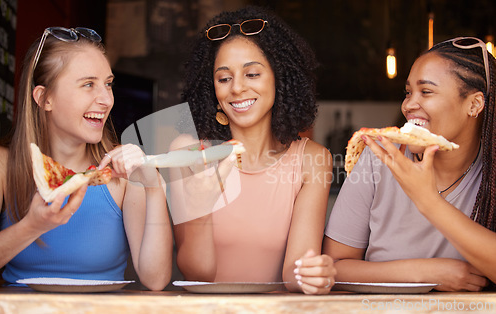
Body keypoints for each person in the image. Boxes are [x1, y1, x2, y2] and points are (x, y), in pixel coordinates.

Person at [174, 6, 336, 294]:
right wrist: (200, 208)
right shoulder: (189, 152)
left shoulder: (313, 160)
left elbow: (293, 273)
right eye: (223, 78)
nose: (236, 88)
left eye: (251, 74)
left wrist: (312, 274)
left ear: (279, 78)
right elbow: (195, 273)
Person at [0, 27, 172, 290]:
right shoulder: (2, 165)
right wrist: (33, 226)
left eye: (108, 84)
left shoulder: (123, 174)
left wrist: (153, 185)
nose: (106, 99)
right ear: (44, 98)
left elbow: (155, 279)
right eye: (88, 84)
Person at [324, 37, 496, 291]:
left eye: (426, 91)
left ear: (474, 104)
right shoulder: (380, 157)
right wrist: (425, 273)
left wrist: (428, 201)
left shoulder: (490, 172)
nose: (408, 105)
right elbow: (332, 267)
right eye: (408, 92)